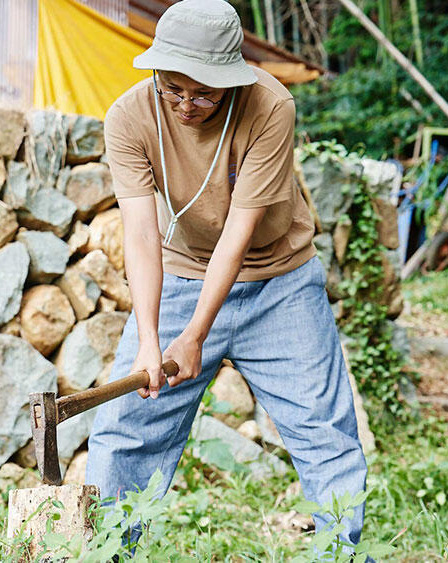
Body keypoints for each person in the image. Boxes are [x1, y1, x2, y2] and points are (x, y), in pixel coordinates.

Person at [84, 0, 370, 550]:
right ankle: (105, 554)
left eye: (203, 92)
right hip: (182, 273)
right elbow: (142, 235)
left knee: (324, 432)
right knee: (125, 430)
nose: (186, 104)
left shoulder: (270, 105)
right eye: (172, 88)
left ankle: (341, 556)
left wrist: (194, 337)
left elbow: (239, 234)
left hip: (280, 282)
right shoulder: (128, 117)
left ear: (231, 81)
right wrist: (151, 342)